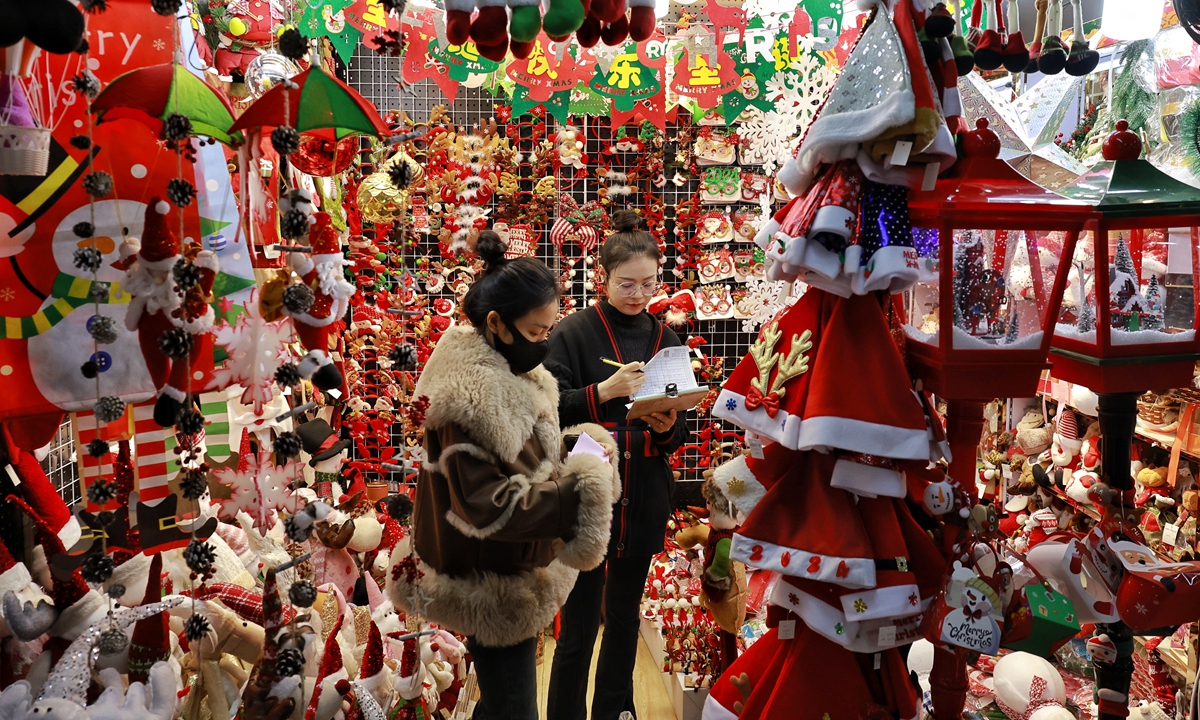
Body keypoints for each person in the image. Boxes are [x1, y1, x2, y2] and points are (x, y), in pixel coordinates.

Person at [387, 231, 620, 720]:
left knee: (501, 703)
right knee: (513, 705)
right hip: (489, 578)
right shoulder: (469, 398)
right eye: (537, 332)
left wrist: (577, 447)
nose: (545, 342)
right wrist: (580, 485)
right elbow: (487, 504)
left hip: (512, 564)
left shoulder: (511, 373)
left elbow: (526, 455)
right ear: (496, 323)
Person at [545, 210, 690, 720]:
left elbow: (680, 435)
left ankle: (614, 711)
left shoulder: (666, 340)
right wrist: (601, 392)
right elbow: (545, 407)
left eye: (648, 283)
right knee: (579, 624)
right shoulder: (572, 333)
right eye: (626, 283)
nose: (638, 293)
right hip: (587, 494)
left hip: (646, 493)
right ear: (602, 278)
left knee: (625, 620)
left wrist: (667, 426)